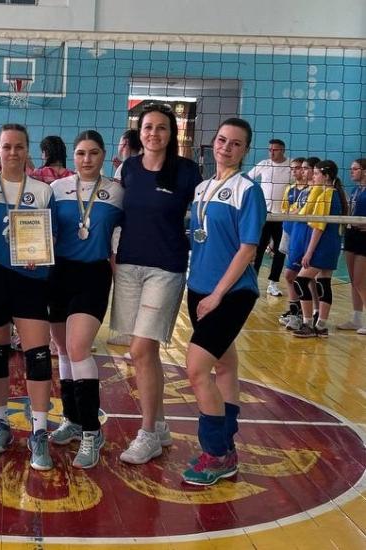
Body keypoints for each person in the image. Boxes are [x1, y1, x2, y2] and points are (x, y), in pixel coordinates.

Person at [110, 104, 202, 465]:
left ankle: (147, 433)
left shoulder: (187, 171)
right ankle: (160, 426)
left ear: (171, 133)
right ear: (139, 131)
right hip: (128, 266)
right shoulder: (128, 169)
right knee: (143, 353)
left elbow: (206, 213)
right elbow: (115, 214)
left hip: (165, 268)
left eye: (161, 128)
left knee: (141, 349)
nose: (154, 134)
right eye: (148, 127)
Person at [0, 123, 56, 471]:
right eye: (7, 146)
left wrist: (41, 251)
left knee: (37, 354)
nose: (13, 152)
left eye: (19, 146)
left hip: (29, 278)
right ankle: (1, 422)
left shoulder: (42, 191)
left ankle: (39, 432)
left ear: (27, 149)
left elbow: (51, 237)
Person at [182, 118, 266, 485]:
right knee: (225, 365)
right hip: (198, 288)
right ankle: (228, 444)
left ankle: (216, 454)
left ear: (245, 150)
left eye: (235, 143)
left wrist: (217, 294)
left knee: (197, 369)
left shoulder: (248, 190)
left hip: (231, 293)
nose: (226, 147)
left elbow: (248, 248)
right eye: (221, 140)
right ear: (213, 143)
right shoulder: (202, 188)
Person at [48, 130, 123, 468]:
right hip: (59, 272)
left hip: (94, 273)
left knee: (78, 348)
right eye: (81, 153)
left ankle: (92, 431)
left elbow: (128, 236)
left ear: (103, 155)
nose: (87, 159)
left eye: (93, 152)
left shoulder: (117, 192)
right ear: (73, 156)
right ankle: (73, 418)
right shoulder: (56, 188)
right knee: (63, 349)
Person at [292, 160, 348, 338]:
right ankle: (321, 326)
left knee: (300, 281)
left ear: (326, 176)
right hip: (332, 245)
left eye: (316, 173)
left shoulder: (326, 194)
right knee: (323, 283)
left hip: (322, 245)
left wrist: (309, 252)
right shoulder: (335, 193)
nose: (313, 176)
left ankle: (308, 323)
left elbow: (318, 226)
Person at [106, 128, 142, 347]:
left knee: (123, 280)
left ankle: (129, 332)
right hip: (136, 232)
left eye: (121, 142)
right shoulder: (139, 164)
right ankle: (132, 332)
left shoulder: (127, 167)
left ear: (126, 143)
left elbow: (118, 199)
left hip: (123, 230)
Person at [248, 138, 292, 297]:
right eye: (270, 150)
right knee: (258, 250)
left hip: (282, 217)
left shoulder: (291, 165)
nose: (271, 153)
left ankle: (273, 284)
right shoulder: (264, 164)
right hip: (265, 216)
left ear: (283, 150)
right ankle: (251, 282)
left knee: (280, 252)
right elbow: (247, 179)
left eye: (275, 150)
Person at [277, 157, 307, 329]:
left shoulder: (310, 190)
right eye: (292, 168)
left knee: (294, 275)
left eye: (297, 168)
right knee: (290, 275)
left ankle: (302, 313)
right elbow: (284, 210)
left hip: (302, 235)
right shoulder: (289, 188)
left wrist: (295, 211)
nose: (294, 171)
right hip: (288, 232)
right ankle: (295, 310)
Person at [337, 158, 366, 333]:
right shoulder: (355, 190)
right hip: (351, 235)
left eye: (355, 169)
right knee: (354, 281)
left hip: (364, 238)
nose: (351, 172)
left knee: (361, 280)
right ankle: (356, 319)